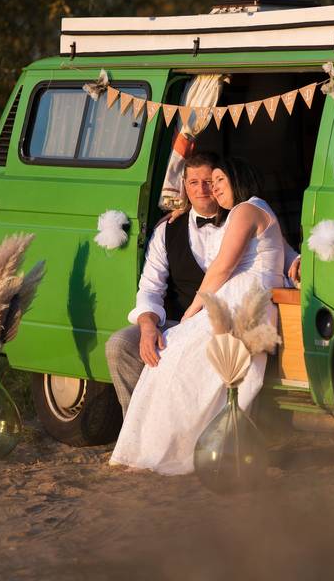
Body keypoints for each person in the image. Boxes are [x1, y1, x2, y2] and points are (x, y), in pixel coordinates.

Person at [110, 157, 286, 474]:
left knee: (178, 359)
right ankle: (144, 437)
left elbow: (236, 262)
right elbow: (149, 287)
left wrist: (296, 260)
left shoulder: (242, 212)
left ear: (236, 178)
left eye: (215, 181)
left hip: (232, 305)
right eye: (197, 183)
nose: (208, 189)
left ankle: (185, 443)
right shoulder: (170, 229)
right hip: (196, 311)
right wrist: (149, 324)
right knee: (130, 347)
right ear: (185, 189)